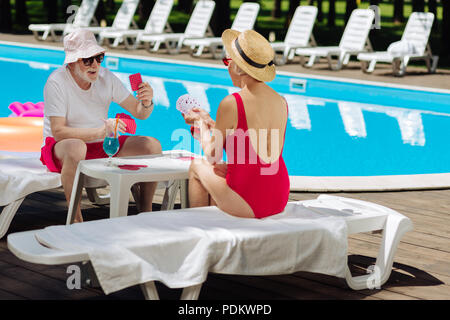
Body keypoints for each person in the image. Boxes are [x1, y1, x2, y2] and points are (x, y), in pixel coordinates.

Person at [40, 29, 162, 223]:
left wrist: (147, 102)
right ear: (72, 62)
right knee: (76, 146)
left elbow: (140, 113)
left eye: (99, 58)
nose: (95, 65)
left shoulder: (107, 78)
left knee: (152, 146)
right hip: (63, 148)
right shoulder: (57, 82)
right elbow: (58, 131)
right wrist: (101, 131)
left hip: (101, 143)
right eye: (87, 60)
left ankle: (145, 213)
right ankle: (75, 218)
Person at [183, 29, 290, 218]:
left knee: (198, 166)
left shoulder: (232, 103)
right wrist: (211, 123)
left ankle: (199, 228)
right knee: (222, 170)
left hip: (249, 200)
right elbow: (257, 143)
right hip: (278, 196)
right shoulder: (281, 101)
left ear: (239, 68)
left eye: (227, 62)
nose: (226, 67)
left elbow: (211, 155)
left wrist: (200, 122)